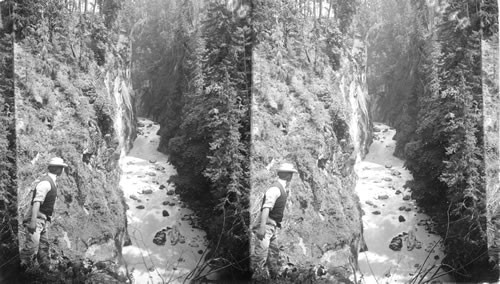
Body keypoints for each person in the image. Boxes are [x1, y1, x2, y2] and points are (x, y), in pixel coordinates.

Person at [252, 162, 298, 280]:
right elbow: (266, 208)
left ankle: (273, 277)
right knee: (261, 255)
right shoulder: (275, 189)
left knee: (273, 252)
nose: (292, 176)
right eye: (291, 174)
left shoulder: (280, 188)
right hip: (267, 225)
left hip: (272, 226)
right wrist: (262, 227)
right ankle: (257, 278)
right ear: (288, 176)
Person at [20, 157, 68, 269]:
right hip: (36, 219)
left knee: (44, 246)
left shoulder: (51, 182)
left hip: (42, 219)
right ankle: (19, 272)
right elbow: (36, 202)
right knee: (31, 247)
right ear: (57, 169)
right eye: (61, 168)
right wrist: (32, 222)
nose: (62, 170)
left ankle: (45, 269)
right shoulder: (46, 183)